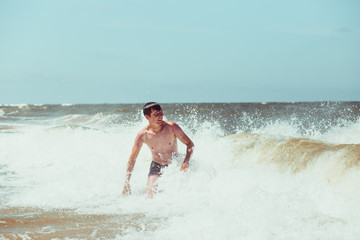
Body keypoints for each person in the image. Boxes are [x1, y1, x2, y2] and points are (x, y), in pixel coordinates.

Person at [122, 102, 194, 198]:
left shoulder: (171, 127)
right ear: (147, 117)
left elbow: (190, 144)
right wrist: (127, 183)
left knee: (178, 195)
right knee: (150, 196)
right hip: (156, 166)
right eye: (156, 114)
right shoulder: (143, 135)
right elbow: (132, 159)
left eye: (161, 113)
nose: (160, 116)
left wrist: (186, 161)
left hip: (175, 164)